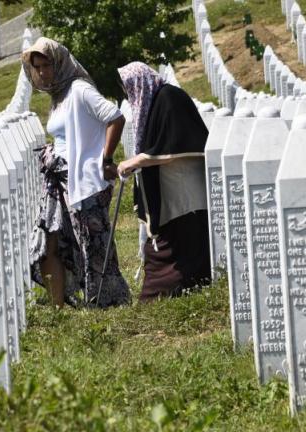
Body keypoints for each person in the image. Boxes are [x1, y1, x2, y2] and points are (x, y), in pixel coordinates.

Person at [22, 37, 130, 308]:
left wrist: (105, 158)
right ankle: (58, 308)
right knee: (49, 241)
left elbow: (115, 117)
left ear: (59, 62)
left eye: (47, 65)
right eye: (38, 67)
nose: (43, 72)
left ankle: (107, 302)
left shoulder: (79, 89)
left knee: (93, 245)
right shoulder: (59, 95)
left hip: (82, 181)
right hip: (57, 180)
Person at [116, 62, 211, 300]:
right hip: (169, 187)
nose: (129, 95)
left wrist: (136, 160)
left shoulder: (169, 98)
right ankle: (162, 291)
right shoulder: (154, 101)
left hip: (184, 190)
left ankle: (175, 289)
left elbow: (175, 142)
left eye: (129, 88)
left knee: (184, 241)